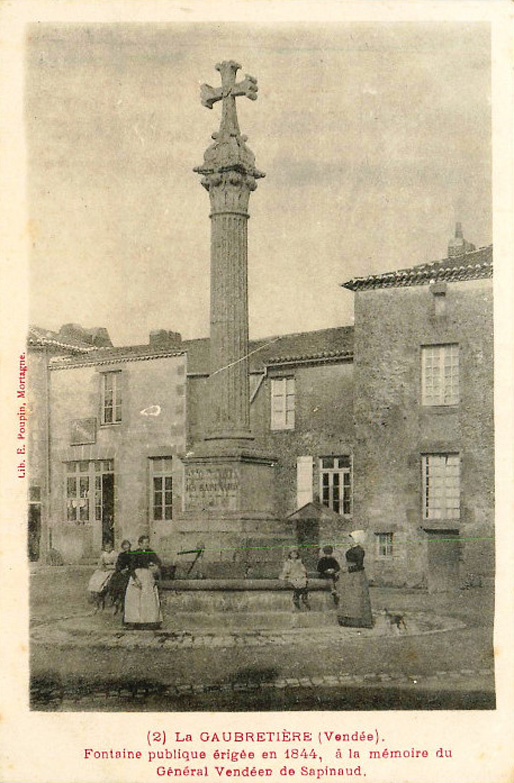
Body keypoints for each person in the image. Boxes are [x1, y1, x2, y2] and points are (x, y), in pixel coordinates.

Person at [123, 535, 163, 629]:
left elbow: (158, 561)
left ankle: (148, 621)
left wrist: (155, 565)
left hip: (147, 576)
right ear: (140, 543)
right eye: (145, 543)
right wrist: (135, 579)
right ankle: (134, 621)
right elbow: (131, 567)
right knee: (135, 599)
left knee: (148, 598)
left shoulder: (150, 552)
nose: (147, 544)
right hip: (137, 576)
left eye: (148, 542)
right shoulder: (135, 553)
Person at [336, 530, 373, 628]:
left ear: (356, 539)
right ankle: (347, 620)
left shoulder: (360, 550)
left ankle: (357, 621)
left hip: (356, 576)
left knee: (356, 597)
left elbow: (360, 566)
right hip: (349, 575)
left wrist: (348, 569)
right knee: (348, 597)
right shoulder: (351, 549)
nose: (349, 540)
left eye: (351, 539)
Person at [87, 541, 117, 611]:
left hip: (111, 569)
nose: (108, 549)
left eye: (109, 547)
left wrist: (109, 568)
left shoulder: (115, 554)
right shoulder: (104, 554)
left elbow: (116, 564)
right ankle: (96, 598)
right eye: (106, 547)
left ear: (112, 547)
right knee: (95, 578)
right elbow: (100, 563)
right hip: (104, 569)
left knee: (104, 580)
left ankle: (102, 597)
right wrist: (102, 567)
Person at [107, 539, 132, 615]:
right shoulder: (121, 555)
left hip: (129, 572)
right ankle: (114, 599)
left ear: (130, 546)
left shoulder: (133, 554)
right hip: (121, 571)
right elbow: (118, 564)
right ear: (122, 547)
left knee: (124, 583)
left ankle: (120, 602)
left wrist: (127, 569)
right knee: (114, 580)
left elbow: (133, 564)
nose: (126, 547)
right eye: (125, 546)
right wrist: (121, 570)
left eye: (127, 545)